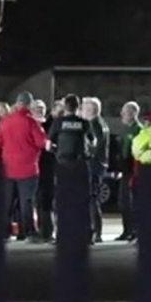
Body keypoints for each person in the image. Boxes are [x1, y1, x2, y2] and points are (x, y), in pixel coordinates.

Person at [0, 91, 48, 241]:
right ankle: (29, 232)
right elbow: (40, 142)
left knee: (7, 201)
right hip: (28, 168)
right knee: (27, 201)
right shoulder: (31, 122)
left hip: (8, 167)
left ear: (17, 104)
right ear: (29, 104)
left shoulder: (5, 121)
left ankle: (4, 232)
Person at [48, 94, 94, 240]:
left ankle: (62, 235)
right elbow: (93, 142)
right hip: (81, 164)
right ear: (78, 106)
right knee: (82, 200)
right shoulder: (85, 123)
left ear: (64, 106)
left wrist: (58, 152)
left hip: (64, 165)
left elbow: (48, 145)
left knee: (62, 201)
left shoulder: (58, 123)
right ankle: (86, 235)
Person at [82, 96, 111, 244]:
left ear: (90, 110)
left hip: (93, 165)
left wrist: (84, 153)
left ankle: (94, 231)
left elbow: (94, 146)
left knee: (91, 198)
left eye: (83, 107)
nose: (81, 110)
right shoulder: (102, 123)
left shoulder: (93, 125)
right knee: (93, 198)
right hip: (99, 164)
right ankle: (95, 231)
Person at [117, 101, 144, 242]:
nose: (122, 114)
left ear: (133, 114)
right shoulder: (126, 129)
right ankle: (126, 230)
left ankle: (134, 230)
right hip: (126, 170)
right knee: (123, 202)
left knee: (131, 202)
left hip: (134, 170)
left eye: (125, 112)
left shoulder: (138, 130)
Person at [33, 99, 58, 242]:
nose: (40, 111)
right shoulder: (32, 125)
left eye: (42, 108)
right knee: (37, 200)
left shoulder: (49, 125)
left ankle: (47, 231)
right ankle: (39, 230)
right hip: (34, 165)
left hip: (47, 166)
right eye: (37, 108)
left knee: (45, 199)